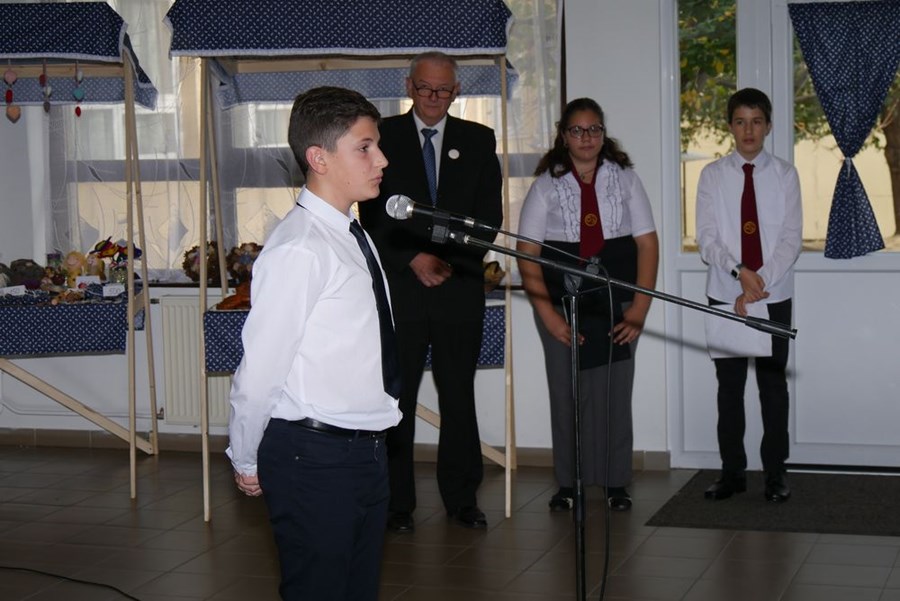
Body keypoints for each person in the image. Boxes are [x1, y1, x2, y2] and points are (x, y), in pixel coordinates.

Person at [226, 86, 401, 600]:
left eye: (377, 145)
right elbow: (261, 368)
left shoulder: (352, 234)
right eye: (364, 147)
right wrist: (245, 456)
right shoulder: (301, 247)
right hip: (315, 456)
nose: (381, 160)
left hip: (365, 449)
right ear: (319, 158)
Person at [358, 51, 503, 531]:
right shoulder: (383, 137)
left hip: (459, 288)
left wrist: (446, 262)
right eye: (425, 88)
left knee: (458, 396)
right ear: (409, 86)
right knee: (398, 399)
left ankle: (462, 500)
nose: (434, 97)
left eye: (443, 90)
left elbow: (488, 219)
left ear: (456, 91)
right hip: (403, 289)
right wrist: (414, 259)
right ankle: (397, 505)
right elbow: (371, 212)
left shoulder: (479, 140)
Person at [516, 98, 659, 513]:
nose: (586, 137)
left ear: (603, 133)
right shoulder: (546, 185)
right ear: (564, 135)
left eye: (594, 129)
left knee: (614, 391)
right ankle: (570, 482)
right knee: (567, 393)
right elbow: (527, 253)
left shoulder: (626, 180)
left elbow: (647, 244)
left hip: (618, 302)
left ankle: (615, 482)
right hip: (561, 302)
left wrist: (640, 309)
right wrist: (548, 316)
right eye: (577, 130)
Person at [695, 87, 802, 503]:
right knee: (729, 388)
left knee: (773, 388)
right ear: (730, 126)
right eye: (740, 122)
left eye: (756, 121)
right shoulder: (713, 176)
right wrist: (739, 273)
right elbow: (707, 238)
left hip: (773, 295)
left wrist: (759, 282)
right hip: (725, 293)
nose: (749, 130)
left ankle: (776, 473)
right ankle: (732, 473)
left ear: (769, 126)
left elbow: (791, 239)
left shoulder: (785, 176)